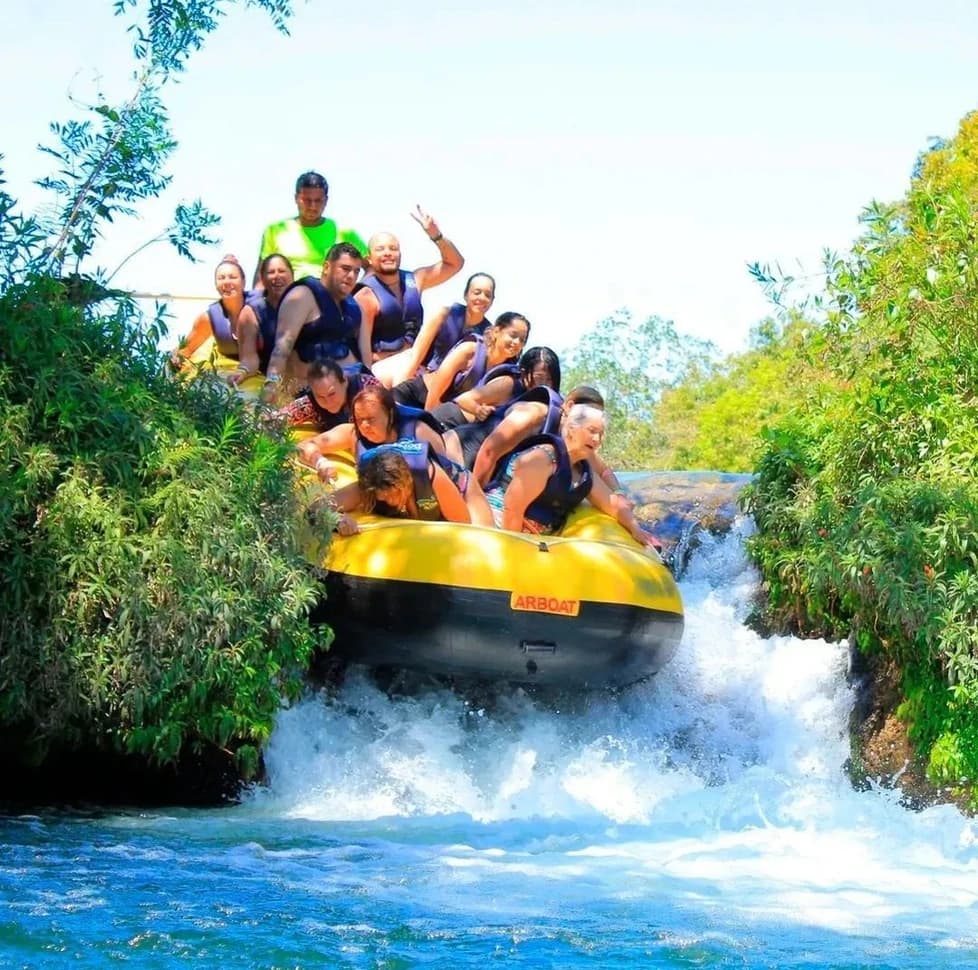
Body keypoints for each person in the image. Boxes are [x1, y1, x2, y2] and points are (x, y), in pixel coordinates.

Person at [300, 385, 493, 526]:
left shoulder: (426, 464)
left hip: (455, 487)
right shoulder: (371, 481)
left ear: (390, 415)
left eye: (371, 419)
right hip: (390, 475)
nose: (364, 426)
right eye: (360, 420)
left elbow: (462, 527)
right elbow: (317, 508)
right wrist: (337, 520)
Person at [484, 403, 653, 544]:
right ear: (571, 429)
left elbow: (613, 504)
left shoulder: (583, 472)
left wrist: (635, 529)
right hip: (499, 525)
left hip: (534, 538)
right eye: (592, 431)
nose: (597, 439)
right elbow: (512, 508)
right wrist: (515, 549)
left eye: (600, 434)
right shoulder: (542, 458)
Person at [355, 206, 464, 384]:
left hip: (416, 363)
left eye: (393, 248)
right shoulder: (365, 295)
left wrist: (436, 235)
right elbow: (363, 349)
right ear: (369, 259)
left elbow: (455, 263)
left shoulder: (416, 279)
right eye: (380, 249)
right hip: (383, 370)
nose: (388, 253)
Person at [472, 384, 625, 495]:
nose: (593, 422)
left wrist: (619, 493)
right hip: (471, 453)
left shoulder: (576, 439)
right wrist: (475, 499)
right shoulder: (533, 415)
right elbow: (489, 452)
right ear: (569, 406)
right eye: (588, 414)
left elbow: (604, 471)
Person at [393, 312, 531, 424]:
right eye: (513, 335)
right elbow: (435, 390)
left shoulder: (505, 374)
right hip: (414, 397)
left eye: (522, 340)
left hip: (440, 412)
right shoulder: (470, 350)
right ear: (496, 331)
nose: (517, 343)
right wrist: (428, 423)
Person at [263, 241, 362, 395]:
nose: (351, 276)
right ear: (327, 267)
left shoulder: (353, 306)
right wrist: (270, 390)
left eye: (356, 271)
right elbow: (281, 350)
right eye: (345, 269)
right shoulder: (302, 295)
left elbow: (364, 355)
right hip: (310, 394)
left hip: (351, 389)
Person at [443, 345, 561, 469]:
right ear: (523, 373)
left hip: (477, 449)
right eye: (539, 378)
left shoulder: (549, 406)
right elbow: (463, 399)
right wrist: (479, 410)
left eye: (549, 380)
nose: (544, 384)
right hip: (452, 431)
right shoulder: (509, 385)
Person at [254, 171, 366, 285]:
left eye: (318, 201)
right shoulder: (274, 231)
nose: (312, 206)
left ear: (326, 201)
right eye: (307, 200)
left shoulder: (344, 232)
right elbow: (261, 276)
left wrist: (362, 290)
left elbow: (371, 266)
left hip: (329, 293)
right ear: (296, 198)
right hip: (287, 293)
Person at [399, 272, 496, 376]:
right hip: (421, 374)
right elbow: (416, 354)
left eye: (487, 295)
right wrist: (406, 377)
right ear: (466, 295)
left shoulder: (489, 335)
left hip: (453, 383)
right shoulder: (444, 314)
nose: (482, 298)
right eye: (477, 293)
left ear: (492, 301)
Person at [171, 256, 248, 367]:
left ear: (243, 282)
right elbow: (184, 352)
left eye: (232, 277)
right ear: (216, 285)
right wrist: (175, 357)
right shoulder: (208, 319)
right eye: (221, 278)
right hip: (220, 372)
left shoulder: (260, 313)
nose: (226, 282)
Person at [228, 253, 294, 384]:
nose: (277, 276)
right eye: (271, 272)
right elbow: (249, 358)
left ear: (292, 276)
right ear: (263, 279)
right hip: (271, 379)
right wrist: (243, 371)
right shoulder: (251, 312)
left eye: (282, 271)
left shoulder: (307, 305)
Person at [274, 358, 378, 431]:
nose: (328, 402)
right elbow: (279, 418)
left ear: (344, 381)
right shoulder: (310, 404)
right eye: (320, 397)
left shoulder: (368, 388)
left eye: (332, 394)